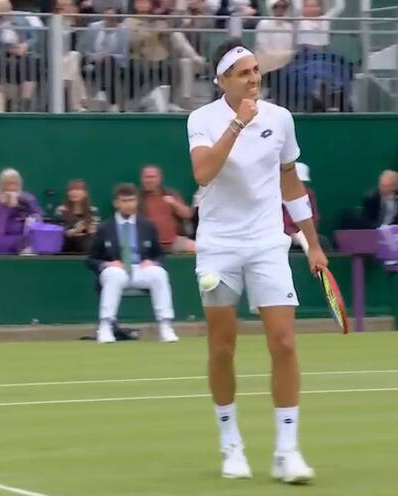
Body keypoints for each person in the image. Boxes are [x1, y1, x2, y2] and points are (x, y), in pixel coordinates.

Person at [187, 39, 327, 482]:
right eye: (244, 72)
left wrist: (313, 243)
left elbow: (290, 185)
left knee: (284, 343)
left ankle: (287, 452)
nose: (253, 78)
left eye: (256, 71)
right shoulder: (202, 120)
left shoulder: (281, 119)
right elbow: (203, 172)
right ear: (223, 80)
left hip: (269, 242)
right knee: (222, 346)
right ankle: (232, 445)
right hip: (218, 247)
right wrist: (237, 125)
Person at [86, 183, 179, 343]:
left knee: (159, 273)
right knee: (114, 274)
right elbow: (91, 259)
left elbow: (159, 255)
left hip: (140, 269)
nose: (129, 204)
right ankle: (106, 326)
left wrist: (153, 261)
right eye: (124, 201)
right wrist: (107, 265)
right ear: (116, 203)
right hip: (115, 270)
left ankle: (165, 325)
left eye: (132, 200)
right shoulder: (105, 228)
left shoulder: (147, 226)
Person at [0, 168, 43, 254]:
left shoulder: (27, 198)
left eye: (15, 184)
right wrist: (3, 205)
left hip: (23, 239)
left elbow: (38, 216)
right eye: (7, 183)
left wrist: (22, 203)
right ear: (1, 184)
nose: (11, 187)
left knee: (32, 244)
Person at [139, 165, 196, 253]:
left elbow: (187, 214)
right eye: (146, 177)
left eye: (152, 177)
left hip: (173, 241)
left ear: (159, 178)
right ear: (142, 179)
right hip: (148, 244)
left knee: (199, 248)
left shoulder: (170, 193)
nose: (149, 180)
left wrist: (174, 203)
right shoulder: (138, 198)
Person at [54, 179, 100, 254]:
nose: (73, 193)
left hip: (86, 245)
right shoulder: (60, 210)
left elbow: (94, 232)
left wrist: (91, 230)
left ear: (85, 193)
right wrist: (77, 230)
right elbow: (59, 233)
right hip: (66, 245)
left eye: (78, 190)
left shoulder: (93, 211)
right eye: (71, 190)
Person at [282, 162, 321, 250]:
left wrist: (308, 233)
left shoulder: (309, 194)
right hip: (282, 235)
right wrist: (291, 233)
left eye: (302, 182)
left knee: (323, 242)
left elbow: (314, 217)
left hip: (305, 234)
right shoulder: (276, 195)